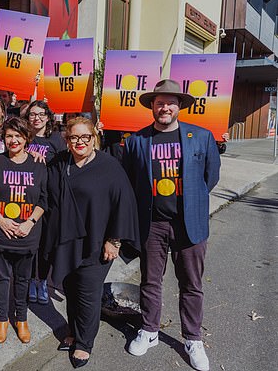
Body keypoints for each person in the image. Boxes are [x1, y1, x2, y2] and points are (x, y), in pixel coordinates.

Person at [123, 79, 220, 371]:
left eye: (170, 102)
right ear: (152, 106)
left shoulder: (201, 137)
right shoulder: (137, 141)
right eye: (159, 102)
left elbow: (209, 177)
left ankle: (192, 339)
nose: (165, 107)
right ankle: (150, 330)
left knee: (191, 283)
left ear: (179, 106)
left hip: (188, 223)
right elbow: (130, 180)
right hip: (152, 224)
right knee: (150, 280)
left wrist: (191, 202)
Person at [45, 116, 139, 368]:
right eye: (73, 137)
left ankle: (84, 344)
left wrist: (114, 240)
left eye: (84, 137)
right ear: (66, 140)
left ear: (93, 138)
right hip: (66, 241)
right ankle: (74, 332)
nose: (79, 142)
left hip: (97, 242)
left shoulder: (109, 166)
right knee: (71, 289)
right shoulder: (58, 163)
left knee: (87, 293)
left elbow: (123, 203)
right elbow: (44, 188)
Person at [0, 117, 47, 344]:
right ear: (3, 138)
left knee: (23, 279)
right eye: (9, 136)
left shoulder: (38, 165)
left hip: (27, 235)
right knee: (1, 277)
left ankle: (22, 319)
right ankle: (3, 319)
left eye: (18, 136)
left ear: (27, 138)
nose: (13, 140)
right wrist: (1, 221)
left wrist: (29, 223)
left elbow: (45, 199)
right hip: (0, 233)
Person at [23, 100, 66, 305]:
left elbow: (64, 166)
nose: (36, 118)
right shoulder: (24, 137)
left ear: (48, 117)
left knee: (46, 243)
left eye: (41, 114)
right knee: (30, 241)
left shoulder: (56, 139)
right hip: (27, 196)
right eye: (32, 114)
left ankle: (42, 281)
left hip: (49, 197)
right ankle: (30, 279)